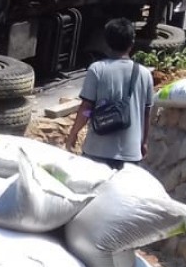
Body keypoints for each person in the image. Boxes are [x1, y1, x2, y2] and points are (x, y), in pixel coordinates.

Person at [64, 18, 154, 168]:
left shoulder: (97, 69)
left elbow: (87, 109)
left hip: (97, 151)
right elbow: (146, 113)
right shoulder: (144, 74)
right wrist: (144, 142)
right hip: (130, 154)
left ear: (106, 42)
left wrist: (73, 134)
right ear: (132, 42)